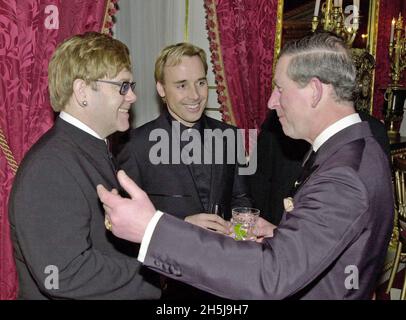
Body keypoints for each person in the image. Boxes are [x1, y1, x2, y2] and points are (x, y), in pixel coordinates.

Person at [97, 32, 394, 299]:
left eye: (279, 89)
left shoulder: (343, 175)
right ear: (161, 89)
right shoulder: (359, 148)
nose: (270, 101)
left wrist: (154, 229)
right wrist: (279, 236)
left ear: (314, 91)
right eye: (182, 85)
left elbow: (271, 274)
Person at [8, 32, 161, 299]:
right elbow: (60, 274)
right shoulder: (50, 166)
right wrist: (155, 272)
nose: (133, 96)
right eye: (123, 86)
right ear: (82, 92)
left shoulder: (86, 149)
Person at [116, 42, 252, 299]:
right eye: (181, 85)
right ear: (161, 89)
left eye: (201, 83)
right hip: (165, 286)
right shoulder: (135, 146)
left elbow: (241, 200)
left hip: (227, 280)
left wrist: (241, 229)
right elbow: (121, 227)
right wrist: (181, 226)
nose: (195, 95)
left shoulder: (229, 136)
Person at [250, 109, 391, 225]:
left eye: (281, 88)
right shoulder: (277, 121)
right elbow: (258, 181)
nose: (272, 101)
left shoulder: (374, 131)